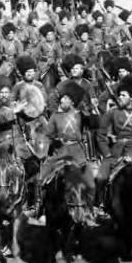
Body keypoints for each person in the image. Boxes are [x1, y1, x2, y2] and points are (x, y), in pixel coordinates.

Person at [35, 81, 99, 226]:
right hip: (60, 152)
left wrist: (93, 110)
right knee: (42, 177)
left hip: (77, 153)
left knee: (90, 183)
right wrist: (52, 142)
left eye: (65, 98)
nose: (62, 101)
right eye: (62, 98)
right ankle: (41, 209)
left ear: (72, 101)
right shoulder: (55, 116)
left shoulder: (80, 115)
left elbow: (95, 124)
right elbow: (48, 135)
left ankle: (89, 212)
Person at [95, 76, 132, 214]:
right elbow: (100, 135)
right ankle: (99, 204)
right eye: (119, 94)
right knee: (101, 177)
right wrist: (107, 153)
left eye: (123, 95)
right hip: (114, 152)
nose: (119, 97)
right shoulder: (111, 113)